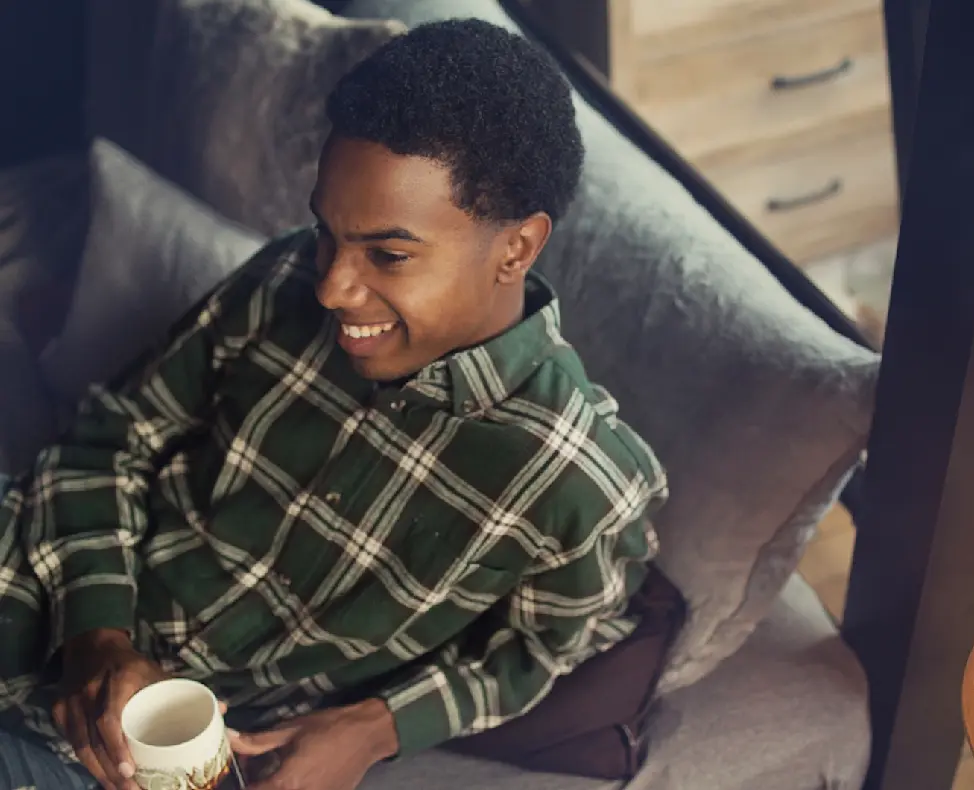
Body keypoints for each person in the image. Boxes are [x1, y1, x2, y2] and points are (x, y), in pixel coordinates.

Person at [0, 18, 667, 790]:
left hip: (135, 767)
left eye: (387, 255)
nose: (330, 287)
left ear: (516, 248)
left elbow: (540, 649)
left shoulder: (578, 484)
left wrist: (376, 728)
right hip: (33, 577)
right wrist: (98, 632)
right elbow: (110, 439)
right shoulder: (284, 279)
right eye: (328, 235)